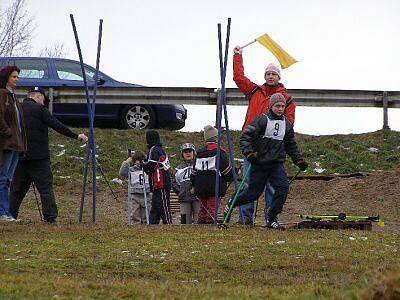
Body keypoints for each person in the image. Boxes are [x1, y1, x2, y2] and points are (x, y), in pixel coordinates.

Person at [224, 93, 308, 230]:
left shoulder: (286, 124)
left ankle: (272, 217)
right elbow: (245, 138)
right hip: (259, 164)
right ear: (271, 106)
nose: (280, 109)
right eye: (277, 106)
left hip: (276, 164)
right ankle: (232, 202)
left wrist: (299, 161)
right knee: (253, 194)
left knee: (283, 187)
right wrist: (249, 154)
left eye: (282, 106)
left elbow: (291, 145)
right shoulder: (261, 120)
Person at [233, 45, 296, 225]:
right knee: (248, 183)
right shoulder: (254, 91)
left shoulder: (286, 99)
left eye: (273, 74)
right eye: (268, 74)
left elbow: (289, 123)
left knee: (272, 185)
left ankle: (270, 218)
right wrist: (238, 56)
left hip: (273, 148)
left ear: (279, 77)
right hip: (252, 146)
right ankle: (245, 218)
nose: (270, 76)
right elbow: (238, 77)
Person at [9, 87, 88, 224]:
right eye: (44, 99)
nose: (44, 102)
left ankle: (10, 215)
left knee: (17, 190)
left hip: (20, 156)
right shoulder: (41, 110)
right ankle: (50, 218)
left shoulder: (17, 108)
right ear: (39, 96)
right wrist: (76, 136)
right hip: (39, 158)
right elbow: (57, 125)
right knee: (45, 189)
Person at [191, 125, 232, 224]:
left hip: (200, 186)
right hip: (215, 186)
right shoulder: (220, 152)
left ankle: (201, 225)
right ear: (216, 138)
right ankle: (211, 227)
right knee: (213, 209)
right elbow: (226, 169)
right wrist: (230, 177)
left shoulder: (199, 153)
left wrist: (193, 184)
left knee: (203, 209)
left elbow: (194, 171)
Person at [0, 66, 26, 222]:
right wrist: (8, 134)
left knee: (8, 180)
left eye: (17, 76)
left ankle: (6, 211)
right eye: (14, 76)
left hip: (17, 145)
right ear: (6, 77)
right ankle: (2, 212)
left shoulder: (13, 96)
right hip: (8, 144)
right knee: (2, 179)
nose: (17, 79)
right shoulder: (2, 95)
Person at [142, 130, 172, 224]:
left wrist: (142, 164)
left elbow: (151, 164)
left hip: (160, 182)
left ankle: (168, 224)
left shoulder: (153, 149)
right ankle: (152, 224)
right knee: (155, 206)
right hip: (163, 182)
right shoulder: (161, 149)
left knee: (163, 205)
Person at [119, 150, 151, 224]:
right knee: (135, 214)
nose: (139, 163)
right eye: (137, 161)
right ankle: (136, 227)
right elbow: (122, 173)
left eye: (141, 161)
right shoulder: (131, 170)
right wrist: (126, 162)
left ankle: (146, 228)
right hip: (135, 195)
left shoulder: (147, 170)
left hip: (146, 194)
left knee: (146, 214)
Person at [172, 143, 199, 224]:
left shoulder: (199, 165)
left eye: (190, 151)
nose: (188, 153)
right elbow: (174, 182)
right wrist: (180, 192)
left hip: (198, 198)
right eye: (185, 152)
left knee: (199, 220)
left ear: (194, 153)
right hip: (184, 198)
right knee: (185, 222)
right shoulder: (178, 168)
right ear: (182, 154)